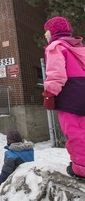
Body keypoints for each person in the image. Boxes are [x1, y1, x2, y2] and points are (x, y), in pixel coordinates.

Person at [43, 16, 85, 179]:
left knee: (74, 131)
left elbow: (56, 74)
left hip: (70, 96)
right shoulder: (78, 48)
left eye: (46, 31)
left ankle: (81, 167)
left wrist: (49, 94)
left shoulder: (55, 47)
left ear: (53, 32)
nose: (45, 35)